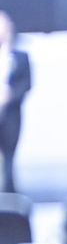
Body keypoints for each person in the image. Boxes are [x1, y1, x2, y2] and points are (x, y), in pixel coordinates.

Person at [0, 12, 30, 195]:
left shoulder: (20, 57)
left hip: (10, 115)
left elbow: (27, 84)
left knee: (9, 159)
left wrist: (9, 96)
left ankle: (10, 200)